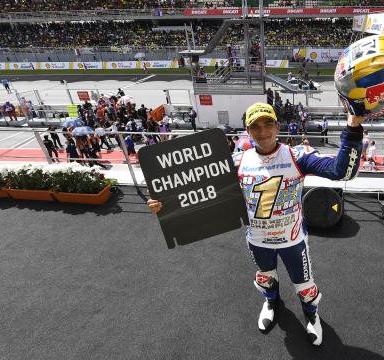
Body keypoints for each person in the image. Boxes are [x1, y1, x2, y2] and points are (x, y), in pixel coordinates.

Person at [148, 103, 365, 346]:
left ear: (278, 127)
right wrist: (164, 203)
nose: (262, 131)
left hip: (292, 239)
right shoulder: (237, 160)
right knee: (265, 277)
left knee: (305, 285)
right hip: (257, 239)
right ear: (247, 132)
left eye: (268, 124)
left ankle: (312, 316)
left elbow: (342, 172)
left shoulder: (298, 155)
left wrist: (353, 128)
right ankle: (271, 302)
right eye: (255, 126)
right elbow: (198, 188)